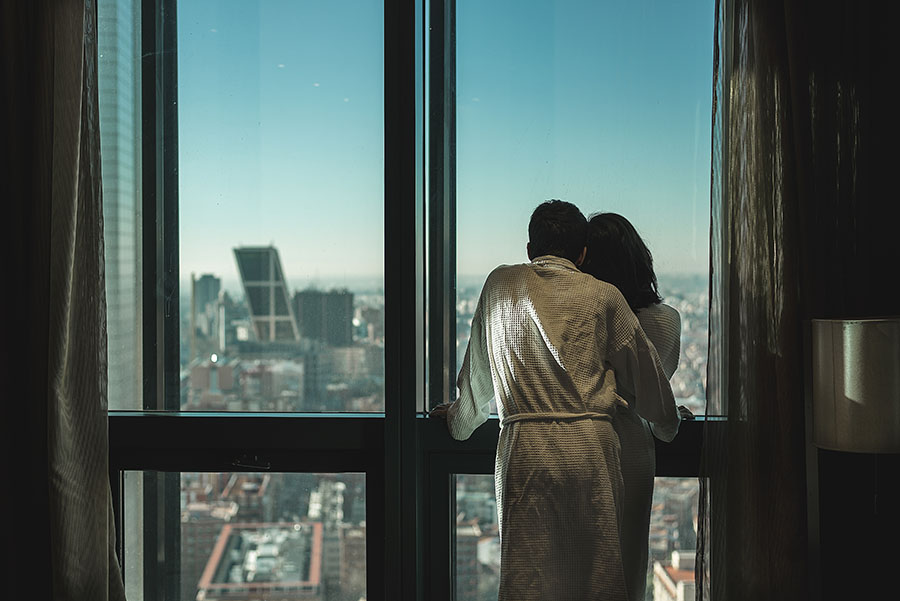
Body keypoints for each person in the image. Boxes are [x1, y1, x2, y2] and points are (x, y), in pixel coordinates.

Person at [431, 200, 682, 601]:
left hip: (524, 450)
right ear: (582, 254)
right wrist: (669, 426)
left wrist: (458, 423)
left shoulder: (499, 285)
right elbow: (649, 384)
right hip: (591, 452)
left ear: (530, 249)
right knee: (598, 578)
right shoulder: (604, 296)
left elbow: (476, 380)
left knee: (528, 580)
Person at [581, 211, 689, 601]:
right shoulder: (665, 321)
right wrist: (670, 419)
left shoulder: (580, 319)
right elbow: (652, 393)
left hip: (577, 444)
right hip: (631, 451)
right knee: (624, 571)